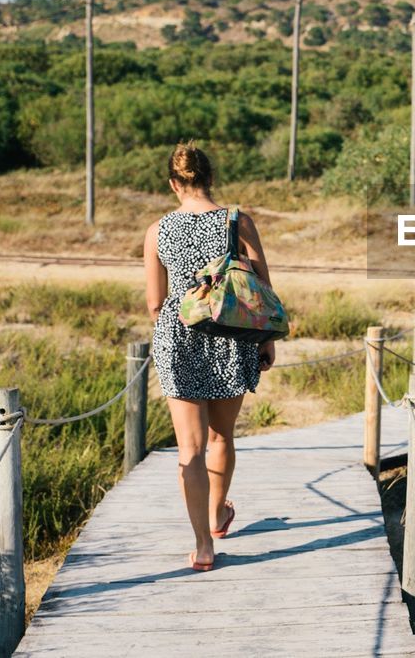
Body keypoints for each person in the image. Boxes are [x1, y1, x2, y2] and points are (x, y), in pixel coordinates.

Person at [142, 141, 276, 571]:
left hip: (178, 338)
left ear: (173, 184)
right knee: (221, 437)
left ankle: (203, 545)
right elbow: (261, 289)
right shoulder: (238, 221)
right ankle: (219, 515)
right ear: (210, 178)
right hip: (231, 335)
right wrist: (267, 340)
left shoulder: (158, 230)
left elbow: (154, 303)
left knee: (190, 450)